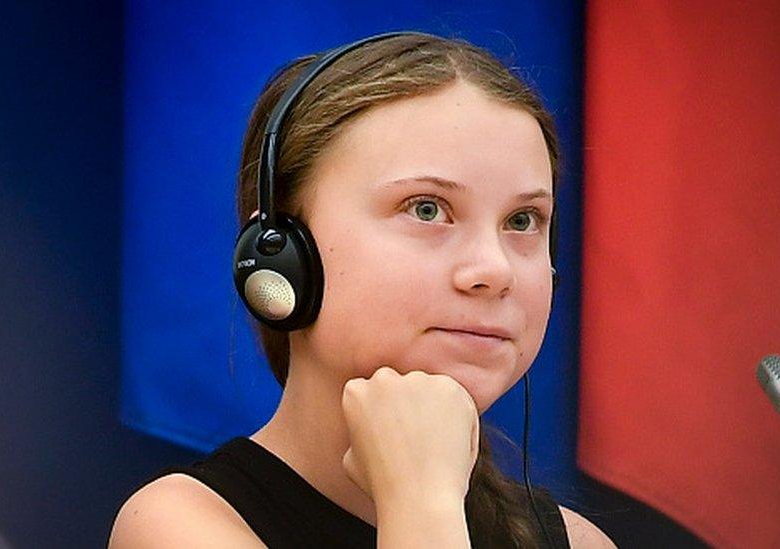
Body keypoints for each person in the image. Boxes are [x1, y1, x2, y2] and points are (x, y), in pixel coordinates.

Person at [109, 32, 616, 548]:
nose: (495, 268)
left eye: (523, 220)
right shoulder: (177, 527)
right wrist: (421, 502)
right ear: (283, 252)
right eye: (426, 208)